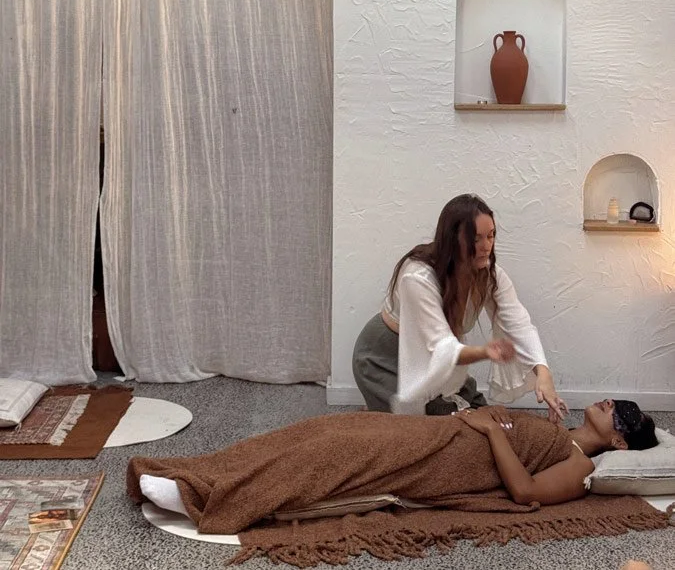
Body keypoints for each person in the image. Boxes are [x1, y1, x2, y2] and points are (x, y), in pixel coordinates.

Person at [127, 398, 658, 535]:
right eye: (617, 402)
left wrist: (494, 431)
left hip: (446, 464)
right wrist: (481, 416)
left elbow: (522, 493)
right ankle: (197, 471)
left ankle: (210, 498)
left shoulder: (579, 469)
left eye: (624, 414)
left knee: (330, 457)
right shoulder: (560, 426)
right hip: (440, 433)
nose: (614, 404)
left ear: (620, 442)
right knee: (325, 429)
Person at [352, 194, 567, 418]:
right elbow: (440, 346)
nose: (486, 247)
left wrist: (543, 373)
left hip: (440, 359)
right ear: (453, 239)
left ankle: (379, 411)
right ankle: (373, 413)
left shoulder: (488, 273)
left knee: (484, 416)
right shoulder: (417, 276)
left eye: (491, 236)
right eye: (476, 239)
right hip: (382, 356)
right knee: (431, 430)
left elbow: (518, 322)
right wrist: (485, 352)